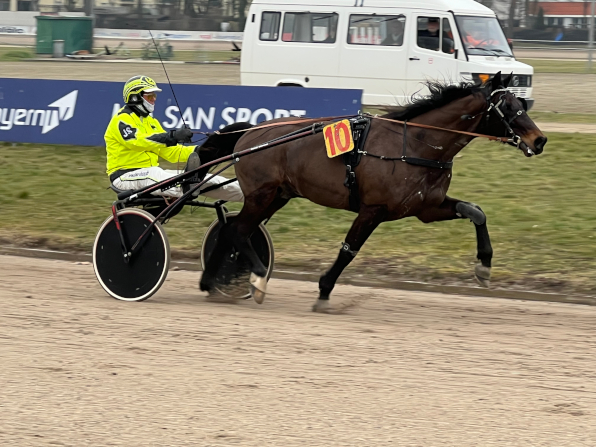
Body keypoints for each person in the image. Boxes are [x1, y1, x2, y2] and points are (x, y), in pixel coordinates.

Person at [105, 75, 244, 202]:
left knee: (214, 181)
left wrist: (204, 151)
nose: (154, 99)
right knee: (169, 178)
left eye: (154, 95)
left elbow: (171, 152)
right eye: (149, 96)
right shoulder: (121, 119)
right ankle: (184, 188)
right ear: (135, 97)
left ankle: (248, 194)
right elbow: (138, 141)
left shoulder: (151, 123)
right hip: (124, 176)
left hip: (148, 173)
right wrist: (173, 136)